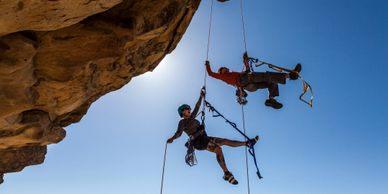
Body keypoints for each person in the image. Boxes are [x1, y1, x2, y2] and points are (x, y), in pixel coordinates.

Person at [167, 88, 258, 185]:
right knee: (218, 149)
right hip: (198, 142)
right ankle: (226, 173)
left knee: (224, 141)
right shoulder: (182, 122)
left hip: (205, 137)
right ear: (182, 112)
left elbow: (197, 106)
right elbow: (179, 133)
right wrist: (172, 139)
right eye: (186, 109)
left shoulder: (193, 117)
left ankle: (246, 143)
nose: (189, 110)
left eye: (189, 108)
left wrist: (201, 96)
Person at [205, 53, 302, 109]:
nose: (225, 69)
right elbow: (210, 74)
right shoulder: (223, 77)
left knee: (272, 81)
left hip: (249, 86)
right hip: (245, 81)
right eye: (222, 69)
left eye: (225, 67)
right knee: (267, 76)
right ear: (221, 72)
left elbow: (247, 69)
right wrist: (207, 65)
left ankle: (271, 100)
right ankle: (290, 75)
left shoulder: (234, 73)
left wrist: (245, 59)